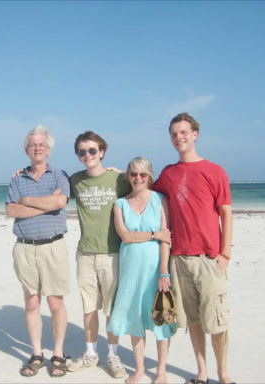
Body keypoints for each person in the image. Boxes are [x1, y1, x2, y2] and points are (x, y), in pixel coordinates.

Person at [153, 112, 234, 384]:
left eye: (184, 132)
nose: (179, 138)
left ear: (195, 134)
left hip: (209, 259)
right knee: (194, 321)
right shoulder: (168, 173)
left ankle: (223, 375)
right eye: (174, 134)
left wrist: (225, 255)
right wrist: (117, 175)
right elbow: (144, 190)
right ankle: (202, 372)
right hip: (179, 260)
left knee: (218, 322)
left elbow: (226, 214)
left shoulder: (215, 171)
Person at [5, 125, 71, 378]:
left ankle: (57, 353)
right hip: (25, 247)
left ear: (49, 148)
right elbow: (11, 211)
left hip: (53, 246)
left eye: (42, 144)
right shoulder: (17, 178)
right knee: (32, 301)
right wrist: (46, 205)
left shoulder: (59, 175)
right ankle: (36, 354)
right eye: (33, 144)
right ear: (26, 149)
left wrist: (27, 201)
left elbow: (60, 202)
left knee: (55, 302)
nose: (37, 147)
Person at [67, 131, 130, 378]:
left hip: (112, 253)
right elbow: (51, 188)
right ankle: (91, 353)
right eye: (82, 152)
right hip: (85, 253)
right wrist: (22, 173)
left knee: (112, 309)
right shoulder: (75, 180)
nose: (87, 155)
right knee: (89, 307)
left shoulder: (118, 180)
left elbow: (147, 186)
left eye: (92, 150)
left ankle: (113, 354)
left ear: (102, 152)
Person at [107, 157, 174, 384]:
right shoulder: (120, 204)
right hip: (130, 271)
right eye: (134, 174)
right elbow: (125, 236)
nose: (138, 178)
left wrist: (164, 271)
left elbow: (167, 238)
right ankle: (139, 370)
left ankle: (162, 371)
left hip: (156, 270)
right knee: (135, 319)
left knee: (160, 319)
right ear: (128, 176)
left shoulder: (160, 199)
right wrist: (154, 235)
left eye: (142, 174)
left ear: (150, 176)